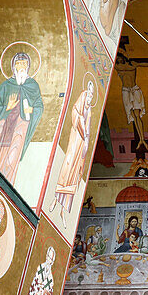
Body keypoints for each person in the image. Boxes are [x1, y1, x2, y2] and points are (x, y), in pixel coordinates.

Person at [0, 51, 44, 181]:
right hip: (3, 125)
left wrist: (30, 109)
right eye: (18, 64)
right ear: (13, 67)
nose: (21, 67)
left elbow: (39, 106)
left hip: (20, 126)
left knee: (12, 158)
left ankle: (6, 183)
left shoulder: (32, 86)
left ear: (28, 67)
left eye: (24, 64)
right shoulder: (6, 85)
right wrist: (6, 108)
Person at [52, 80, 94, 214]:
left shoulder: (90, 111)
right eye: (88, 96)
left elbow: (87, 129)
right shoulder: (78, 109)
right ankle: (55, 198)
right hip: (75, 141)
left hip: (82, 144)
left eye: (92, 97)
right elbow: (77, 120)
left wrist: (86, 140)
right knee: (68, 164)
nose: (90, 99)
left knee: (76, 171)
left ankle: (64, 208)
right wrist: (83, 130)